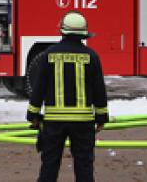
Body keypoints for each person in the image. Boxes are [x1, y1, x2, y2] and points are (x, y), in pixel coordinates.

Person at [27, 11, 109, 182]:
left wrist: (33, 115)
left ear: (62, 31)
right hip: (83, 123)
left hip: (54, 122)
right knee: (84, 167)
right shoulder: (91, 56)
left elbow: (38, 88)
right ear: (83, 33)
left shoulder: (49, 55)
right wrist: (101, 117)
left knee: (49, 166)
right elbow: (99, 90)